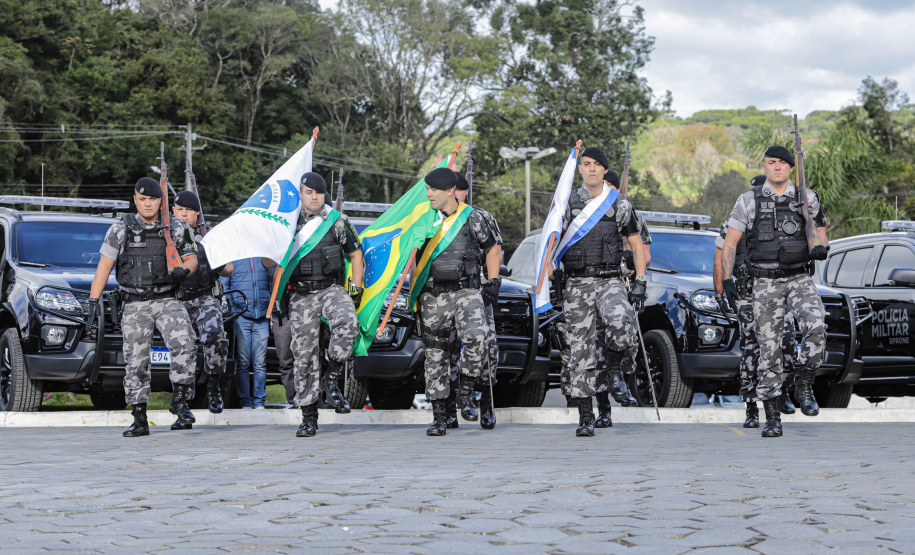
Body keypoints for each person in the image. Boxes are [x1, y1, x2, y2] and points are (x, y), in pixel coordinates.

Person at [721, 146, 829, 438]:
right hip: (765, 281)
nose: (777, 168)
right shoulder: (748, 201)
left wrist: (819, 246)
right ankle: (771, 417)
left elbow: (820, 232)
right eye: (772, 163)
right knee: (768, 348)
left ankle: (804, 382)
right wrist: (728, 279)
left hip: (799, 278)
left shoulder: (807, 197)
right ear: (765, 166)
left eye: (783, 163)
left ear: (791, 168)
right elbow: (730, 244)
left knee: (816, 325)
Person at [87, 177, 199, 437]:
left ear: (161, 201)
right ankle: (139, 418)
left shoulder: (176, 228)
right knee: (136, 362)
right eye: (143, 199)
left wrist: (183, 271)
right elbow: (104, 267)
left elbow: (191, 258)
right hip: (135, 303)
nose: (148, 204)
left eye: (153, 199)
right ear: (135, 200)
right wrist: (93, 301)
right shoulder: (120, 230)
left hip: (167, 299)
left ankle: (180, 400)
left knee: (186, 342)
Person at [552, 146, 646, 437]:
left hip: (610, 280)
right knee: (581, 350)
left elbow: (637, 243)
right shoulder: (566, 203)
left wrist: (640, 279)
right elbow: (550, 244)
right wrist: (551, 284)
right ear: (580, 169)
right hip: (577, 284)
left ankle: (616, 372)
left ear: (605, 170)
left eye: (597, 165)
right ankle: (585, 415)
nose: (591, 169)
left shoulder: (618, 204)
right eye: (586, 164)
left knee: (620, 323)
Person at [270, 172, 363, 437]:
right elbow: (271, 262)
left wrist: (355, 288)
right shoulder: (287, 223)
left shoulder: (337, 221)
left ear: (324, 195)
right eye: (309, 192)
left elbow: (355, 254)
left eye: (318, 193)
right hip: (301, 295)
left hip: (331, 289)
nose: (314, 197)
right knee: (304, 356)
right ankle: (309, 416)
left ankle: (331, 377)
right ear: (301, 194)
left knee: (348, 324)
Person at [417, 167, 500, 436]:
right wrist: (413, 296)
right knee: (436, 354)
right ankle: (441, 417)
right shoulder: (422, 220)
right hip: (433, 296)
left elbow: (492, 248)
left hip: (467, 292)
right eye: (427, 189)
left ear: (450, 192)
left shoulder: (474, 218)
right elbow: (412, 259)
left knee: (478, 338)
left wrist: (494, 281)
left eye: (433, 189)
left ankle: (466, 390)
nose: (428, 193)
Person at [714, 174, 798, 428]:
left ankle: (781, 391)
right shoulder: (734, 219)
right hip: (747, 293)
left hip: (776, 289)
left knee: (786, 341)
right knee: (752, 348)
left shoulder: (780, 218)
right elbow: (720, 255)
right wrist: (720, 289)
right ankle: (751, 406)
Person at [172, 191, 233, 413]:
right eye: (180, 210)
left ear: (197, 214)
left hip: (204, 298)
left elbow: (229, 270)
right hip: (175, 301)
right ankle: (182, 400)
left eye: (188, 211)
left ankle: (214, 383)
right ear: (173, 212)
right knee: (183, 346)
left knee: (216, 335)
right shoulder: (164, 236)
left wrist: (214, 260)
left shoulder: (210, 238)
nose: (184, 214)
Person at [452, 170, 501, 430]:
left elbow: (494, 250)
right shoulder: (435, 219)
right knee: (446, 351)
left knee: (486, 349)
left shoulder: (480, 218)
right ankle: (450, 408)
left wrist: (492, 282)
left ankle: (487, 405)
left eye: (459, 190)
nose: (455, 195)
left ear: (465, 192)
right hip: (446, 295)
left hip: (477, 292)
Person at [224, 257, 271, 409]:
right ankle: (245, 402)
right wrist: (234, 309)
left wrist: (271, 307)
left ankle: (259, 402)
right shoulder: (233, 258)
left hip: (263, 316)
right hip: (241, 316)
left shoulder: (264, 257)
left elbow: (274, 280)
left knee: (260, 363)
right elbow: (225, 286)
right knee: (243, 362)